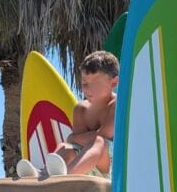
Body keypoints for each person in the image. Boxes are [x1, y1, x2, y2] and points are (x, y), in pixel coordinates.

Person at [17, 50, 119, 179]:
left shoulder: (117, 105)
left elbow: (102, 137)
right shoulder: (81, 109)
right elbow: (77, 144)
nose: (87, 89)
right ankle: (42, 174)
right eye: (84, 84)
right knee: (65, 146)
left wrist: (73, 138)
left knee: (99, 142)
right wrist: (73, 140)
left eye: (95, 84)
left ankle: (64, 178)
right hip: (85, 165)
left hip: (110, 169)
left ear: (114, 83)